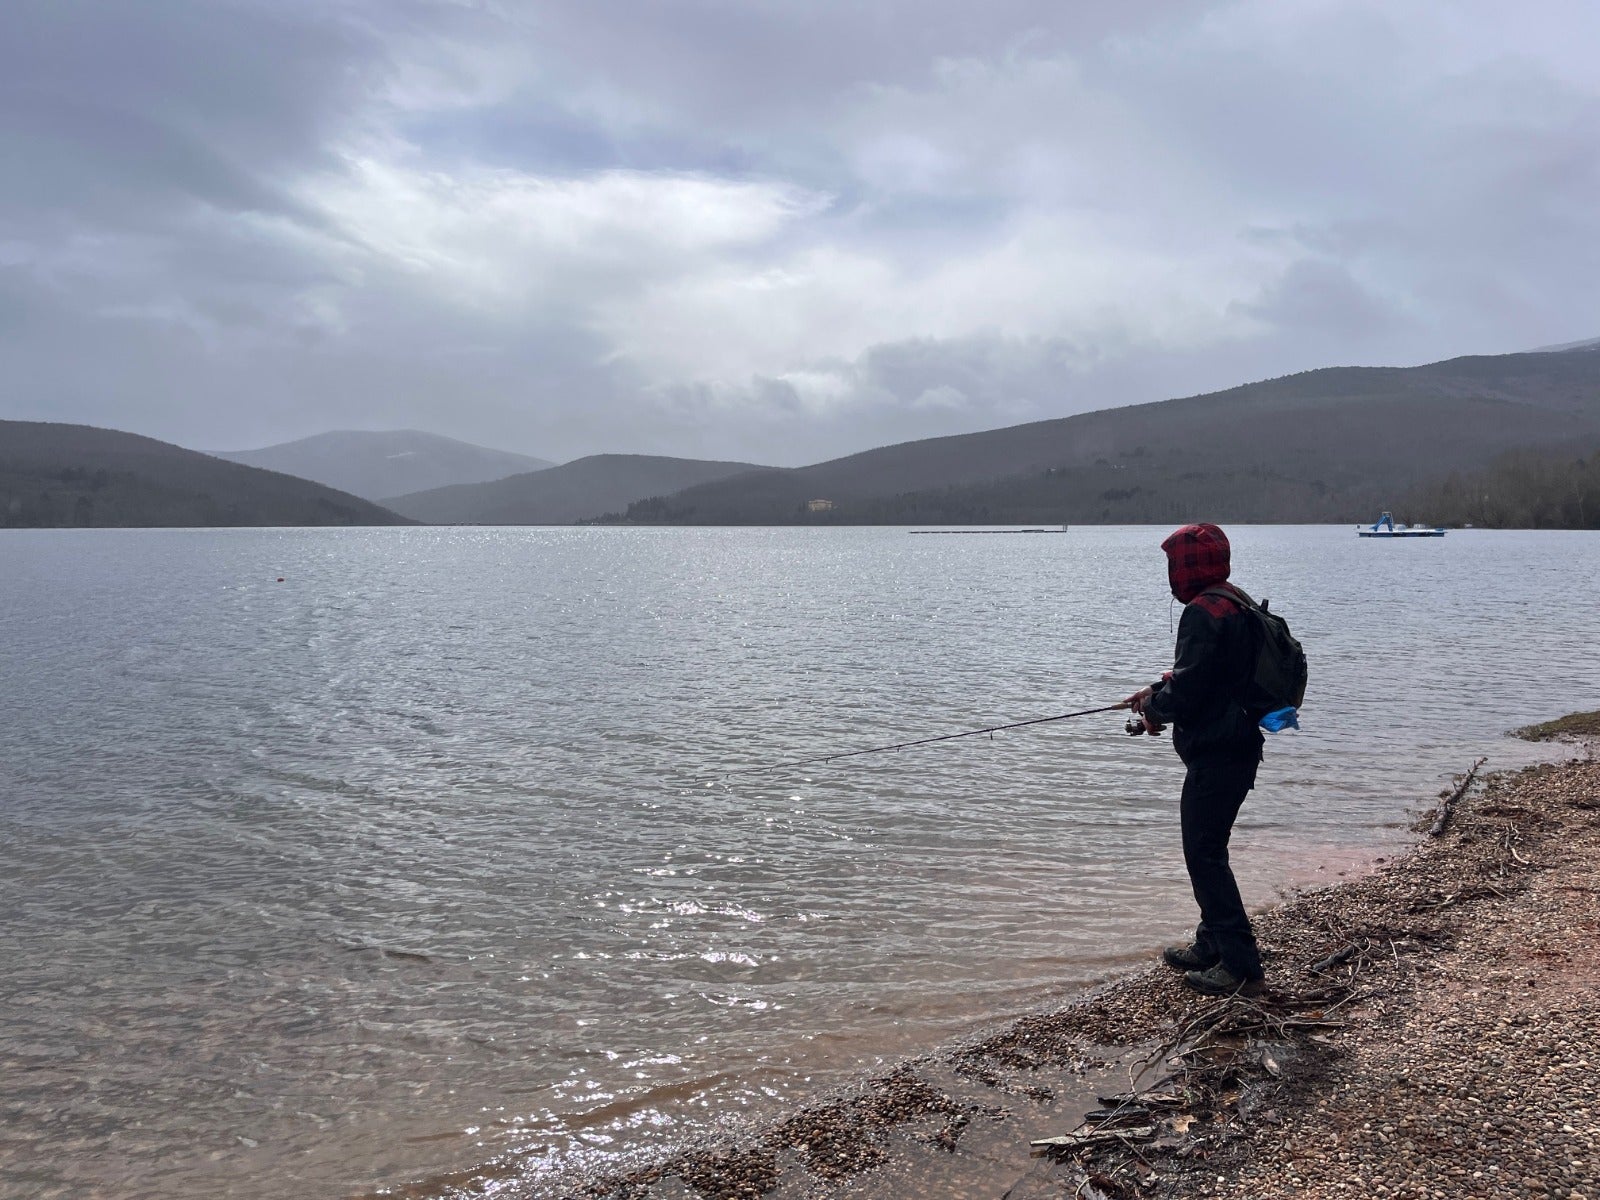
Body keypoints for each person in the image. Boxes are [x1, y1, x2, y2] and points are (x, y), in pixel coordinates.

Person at [1126, 523, 1266, 996]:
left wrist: (1153, 710)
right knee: (1209, 850)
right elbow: (1206, 675)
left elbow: (1190, 691)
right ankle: (1211, 944)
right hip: (1237, 746)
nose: (1172, 572)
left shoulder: (1204, 612)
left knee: (1204, 855)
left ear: (1189, 565)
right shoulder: (1234, 600)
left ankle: (1241, 968)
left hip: (1219, 754)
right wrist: (1156, 691)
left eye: (1175, 562)